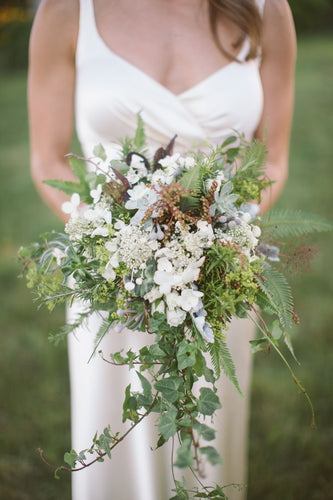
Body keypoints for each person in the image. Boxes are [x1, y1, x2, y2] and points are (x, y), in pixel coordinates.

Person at [28, 1, 296, 499]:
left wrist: (223, 234)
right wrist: (110, 237)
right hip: (112, 276)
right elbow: (47, 158)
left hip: (217, 277)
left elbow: (273, 157)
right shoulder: (67, 11)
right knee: (113, 443)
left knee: (203, 445)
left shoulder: (266, 9)